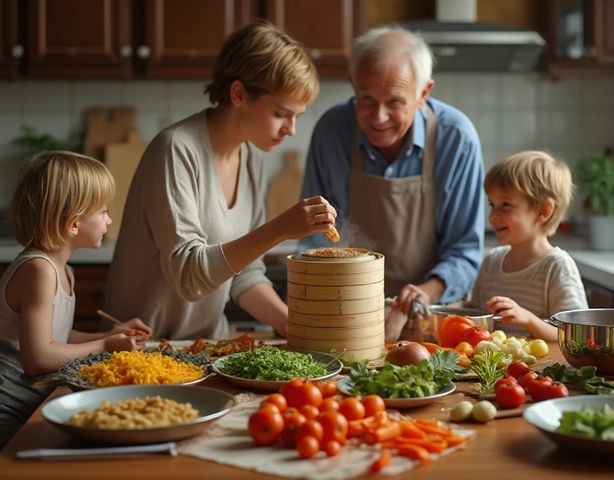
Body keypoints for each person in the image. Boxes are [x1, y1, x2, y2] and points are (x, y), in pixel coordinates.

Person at [103, 21, 337, 341]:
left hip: (205, 348)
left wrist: (291, 323)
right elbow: (188, 277)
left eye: (297, 116)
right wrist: (280, 229)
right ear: (239, 94)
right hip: (142, 351)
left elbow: (244, 274)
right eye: (282, 114)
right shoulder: (176, 150)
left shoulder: (251, 157)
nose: (291, 130)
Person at [299, 26, 485, 328]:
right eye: (367, 98)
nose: (378, 116)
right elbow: (315, 236)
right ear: (353, 85)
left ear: (423, 93)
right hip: (348, 312)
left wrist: (428, 290)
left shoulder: (456, 139)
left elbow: (464, 249)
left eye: (395, 102)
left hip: (432, 317)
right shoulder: (331, 131)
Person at [0, 151, 152, 449]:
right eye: (103, 211)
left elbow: (57, 336)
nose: (109, 220)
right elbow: (38, 358)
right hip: (7, 404)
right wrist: (108, 346)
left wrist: (110, 334)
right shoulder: (38, 269)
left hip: (33, 398)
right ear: (73, 224)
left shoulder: (64, 271)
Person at [465, 150, 588, 342]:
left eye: (505, 204)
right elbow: (476, 312)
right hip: (493, 369)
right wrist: (434, 308)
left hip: (541, 371)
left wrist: (528, 319)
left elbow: (576, 336)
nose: (493, 215)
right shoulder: (491, 261)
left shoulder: (557, 267)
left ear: (543, 211)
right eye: (492, 204)